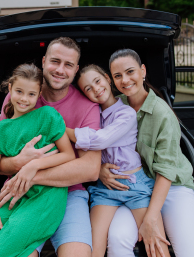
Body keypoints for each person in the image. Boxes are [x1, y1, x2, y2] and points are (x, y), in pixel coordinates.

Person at [0, 37, 102, 257]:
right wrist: (18, 163)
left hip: (70, 195)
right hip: (22, 194)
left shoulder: (87, 107)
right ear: (43, 61)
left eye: (68, 65)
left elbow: (90, 169)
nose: (60, 70)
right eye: (55, 61)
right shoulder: (19, 96)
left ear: (76, 70)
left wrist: (31, 171)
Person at [0, 63, 76, 257]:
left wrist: (34, 164)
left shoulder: (47, 116)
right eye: (19, 92)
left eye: (31, 94)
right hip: (15, 196)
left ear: (39, 94)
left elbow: (68, 155)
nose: (24, 99)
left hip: (45, 199)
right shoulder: (0, 129)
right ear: (10, 89)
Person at [104, 49, 194, 257]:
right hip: (134, 187)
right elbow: (101, 144)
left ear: (143, 71)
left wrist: (151, 218)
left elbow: (166, 170)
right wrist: (100, 169)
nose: (125, 80)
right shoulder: (114, 106)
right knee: (117, 239)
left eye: (130, 71)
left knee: (192, 252)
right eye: (117, 76)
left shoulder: (162, 113)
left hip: (172, 188)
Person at [65, 64, 170, 257]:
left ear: (107, 78)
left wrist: (62, 129)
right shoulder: (92, 116)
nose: (96, 89)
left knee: (156, 246)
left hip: (135, 186)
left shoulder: (126, 113)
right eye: (88, 88)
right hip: (105, 188)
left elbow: (101, 139)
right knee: (93, 249)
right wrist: (101, 167)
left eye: (97, 81)